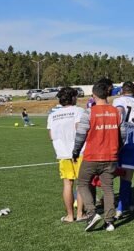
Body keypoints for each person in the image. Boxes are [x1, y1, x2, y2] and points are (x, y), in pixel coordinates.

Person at [72, 81, 126, 232]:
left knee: (82, 183)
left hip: (92, 156)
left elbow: (80, 134)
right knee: (108, 188)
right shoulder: (117, 112)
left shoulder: (89, 112)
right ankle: (109, 221)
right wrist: (117, 149)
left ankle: (91, 213)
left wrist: (75, 151)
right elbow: (123, 135)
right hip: (111, 156)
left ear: (94, 95)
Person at [47, 87, 85, 223]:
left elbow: (51, 136)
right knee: (81, 184)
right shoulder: (78, 111)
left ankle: (70, 215)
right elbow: (79, 129)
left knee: (67, 184)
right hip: (79, 152)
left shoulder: (52, 115)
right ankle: (80, 214)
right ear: (73, 98)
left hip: (62, 153)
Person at [113, 82, 134, 218]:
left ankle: (119, 208)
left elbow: (118, 113)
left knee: (108, 173)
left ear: (121, 90)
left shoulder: (118, 100)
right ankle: (127, 203)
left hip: (119, 141)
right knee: (127, 178)